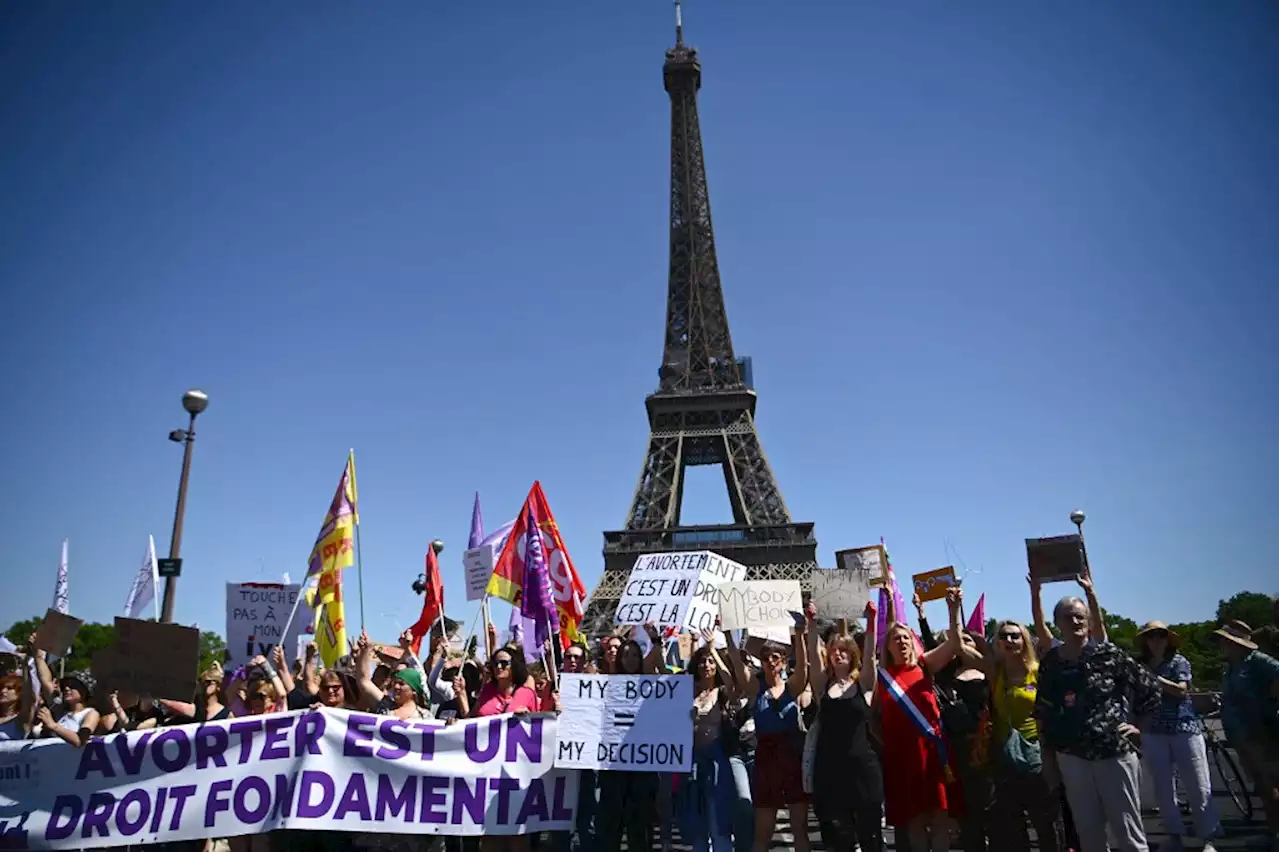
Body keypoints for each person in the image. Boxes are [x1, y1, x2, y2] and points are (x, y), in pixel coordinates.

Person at [1035, 579, 1161, 852]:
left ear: (1090, 621)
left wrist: (1139, 727)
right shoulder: (1051, 662)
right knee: (1088, 833)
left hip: (1112, 752)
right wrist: (1048, 755)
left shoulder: (1109, 655)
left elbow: (1150, 688)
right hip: (1071, 756)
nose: (1076, 622)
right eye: (1069, 617)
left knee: (1127, 832)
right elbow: (1042, 709)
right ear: (1058, 623)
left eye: (1081, 616)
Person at [879, 586, 964, 852]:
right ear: (888, 646)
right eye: (896, 639)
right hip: (901, 756)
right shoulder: (881, 678)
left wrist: (953, 611)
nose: (902, 642)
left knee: (940, 817)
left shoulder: (925, 665)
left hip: (932, 752)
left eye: (906, 637)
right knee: (914, 821)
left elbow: (952, 645)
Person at [724, 622, 810, 852]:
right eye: (765, 658)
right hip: (766, 762)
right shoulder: (755, 688)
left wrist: (800, 634)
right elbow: (735, 660)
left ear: (783, 661)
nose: (770, 662)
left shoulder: (793, 687)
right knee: (763, 831)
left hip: (792, 758)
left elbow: (803, 665)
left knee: (799, 828)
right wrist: (726, 632)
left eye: (775, 657)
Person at [1135, 620, 1221, 850]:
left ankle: (1208, 837)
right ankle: (1174, 836)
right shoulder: (1139, 664)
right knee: (1163, 788)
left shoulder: (1178, 661)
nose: (1156, 641)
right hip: (1153, 731)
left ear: (1167, 639)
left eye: (1160, 636)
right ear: (1145, 641)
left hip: (1184, 728)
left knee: (1198, 783)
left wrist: (1155, 679)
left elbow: (1182, 691)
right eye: (1151, 636)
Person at [805, 599, 882, 851]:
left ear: (852, 655)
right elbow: (812, 659)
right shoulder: (822, 685)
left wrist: (871, 621)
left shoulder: (864, 684)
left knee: (869, 836)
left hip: (863, 770)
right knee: (837, 837)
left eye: (844, 650)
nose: (838, 653)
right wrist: (811, 624)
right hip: (829, 772)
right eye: (834, 650)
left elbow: (870, 654)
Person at [981, 619, 1060, 852]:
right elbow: (957, 645)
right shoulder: (996, 673)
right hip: (1005, 757)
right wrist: (954, 610)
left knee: (1045, 820)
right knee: (1013, 825)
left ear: (1024, 640)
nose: (1009, 640)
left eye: (1015, 636)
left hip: (1037, 754)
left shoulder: (1039, 671)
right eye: (1004, 636)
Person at [596, 633, 663, 852]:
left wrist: (655, 639)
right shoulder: (604, 685)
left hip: (643, 766)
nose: (631, 659)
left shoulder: (651, 685)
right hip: (613, 766)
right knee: (611, 824)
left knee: (640, 826)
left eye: (635, 655)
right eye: (626, 655)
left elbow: (658, 662)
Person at [1215, 620, 1280, 843]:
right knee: (1262, 787)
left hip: (1259, 731)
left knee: (1269, 784)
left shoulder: (1258, 661)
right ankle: (1273, 833)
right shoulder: (1232, 665)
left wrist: (1270, 697)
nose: (1222, 643)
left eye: (1226, 639)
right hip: (1241, 735)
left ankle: (1276, 835)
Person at [679, 632, 739, 852]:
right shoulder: (687, 691)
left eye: (711, 661)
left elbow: (731, 679)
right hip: (693, 761)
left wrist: (713, 648)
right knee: (696, 821)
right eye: (703, 661)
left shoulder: (722, 692)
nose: (706, 665)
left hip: (716, 760)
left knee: (718, 818)